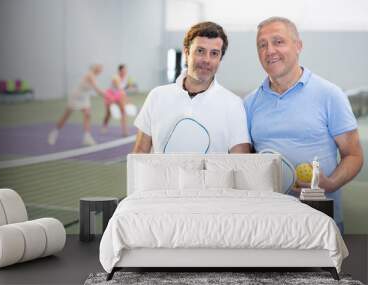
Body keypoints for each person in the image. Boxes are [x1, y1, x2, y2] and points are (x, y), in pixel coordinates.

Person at [244, 16, 363, 233]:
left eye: (278, 41)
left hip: (319, 219)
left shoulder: (329, 94)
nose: (270, 50)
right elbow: (247, 160)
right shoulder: (250, 103)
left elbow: (354, 155)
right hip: (269, 221)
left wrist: (331, 183)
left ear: (298, 46)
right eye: (262, 45)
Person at [133, 21, 251, 153]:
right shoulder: (157, 96)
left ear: (220, 58)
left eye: (214, 53)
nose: (207, 60)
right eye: (200, 51)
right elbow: (140, 152)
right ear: (187, 52)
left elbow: (241, 163)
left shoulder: (234, 105)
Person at [48, 64, 105, 146]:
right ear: (95, 68)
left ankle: (87, 137)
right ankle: (54, 133)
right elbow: (97, 89)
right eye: (100, 68)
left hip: (85, 97)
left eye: (101, 69)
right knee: (66, 116)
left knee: (88, 114)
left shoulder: (94, 76)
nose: (101, 70)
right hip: (76, 96)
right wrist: (107, 96)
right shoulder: (90, 75)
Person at [101, 64, 129, 137]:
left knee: (123, 112)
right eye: (123, 71)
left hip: (118, 96)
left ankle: (125, 131)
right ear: (119, 71)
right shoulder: (115, 78)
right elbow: (120, 89)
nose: (124, 72)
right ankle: (104, 126)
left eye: (125, 70)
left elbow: (122, 91)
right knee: (108, 113)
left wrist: (124, 98)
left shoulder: (125, 78)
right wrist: (125, 97)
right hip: (110, 95)